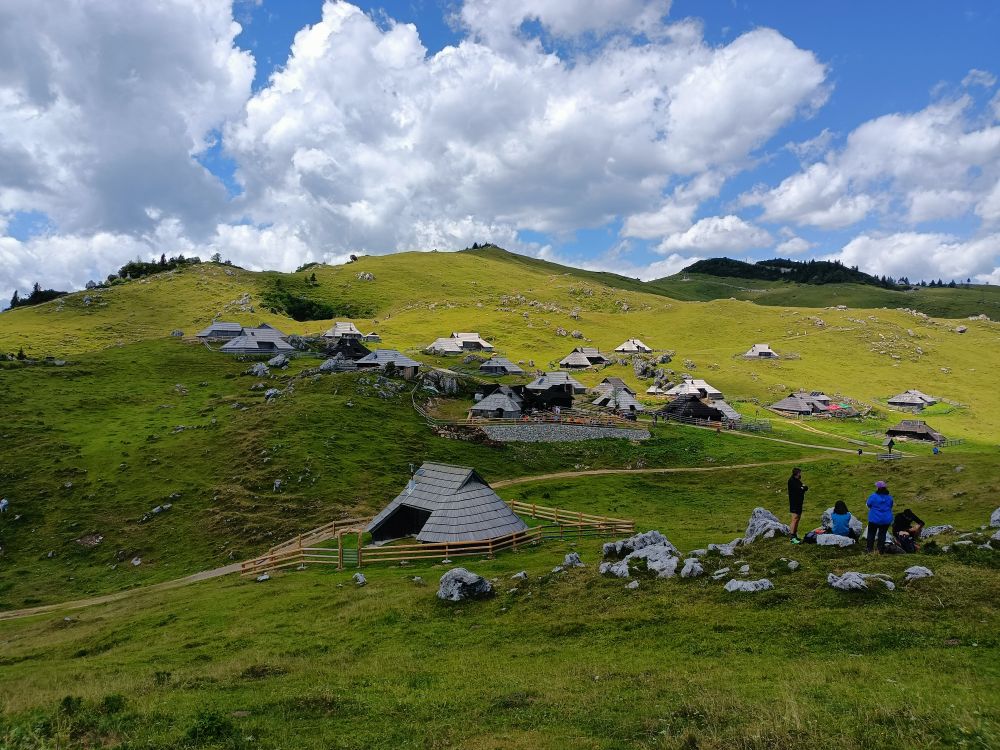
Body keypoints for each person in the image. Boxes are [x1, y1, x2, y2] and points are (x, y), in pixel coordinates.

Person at [865, 481, 894, 553]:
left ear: (877, 487)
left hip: (874, 519)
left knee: (871, 533)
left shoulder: (873, 496)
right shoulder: (889, 497)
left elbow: (868, 504)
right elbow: (890, 506)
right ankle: (880, 550)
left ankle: (869, 549)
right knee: (882, 534)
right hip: (886, 519)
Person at [787, 468, 808, 544]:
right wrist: (802, 488)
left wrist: (803, 488)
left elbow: (804, 487)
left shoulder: (797, 480)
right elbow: (799, 489)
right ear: (797, 473)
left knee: (798, 518)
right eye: (800, 473)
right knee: (794, 518)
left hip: (799, 502)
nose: (800, 474)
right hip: (794, 502)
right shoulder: (791, 481)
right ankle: (792, 538)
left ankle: (795, 535)